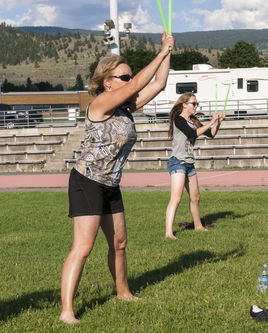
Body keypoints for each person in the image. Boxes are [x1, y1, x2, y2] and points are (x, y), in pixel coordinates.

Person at [59, 32, 175, 324]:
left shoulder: (124, 108)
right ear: (107, 82)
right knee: (83, 248)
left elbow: (158, 84)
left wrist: (169, 50)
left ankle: (123, 292)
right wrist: (160, 53)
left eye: (129, 76)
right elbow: (139, 84)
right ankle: (67, 312)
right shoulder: (99, 104)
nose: (130, 79)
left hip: (110, 182)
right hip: (87, 181)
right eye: (123, 77)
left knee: (120, 243)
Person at [164, 93, 224, 239]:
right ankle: (168, 233)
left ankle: (198, 226)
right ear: (184, 104)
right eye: (194, 104)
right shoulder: (178, 119)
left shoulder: (193, 120)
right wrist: (211, 121)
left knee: (195, 197)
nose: (196, 106)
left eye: (197, 104)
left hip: (189, 163)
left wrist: (219, 122)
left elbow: (211, 134)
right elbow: (193, 133)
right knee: (176, 198)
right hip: (178, 161)